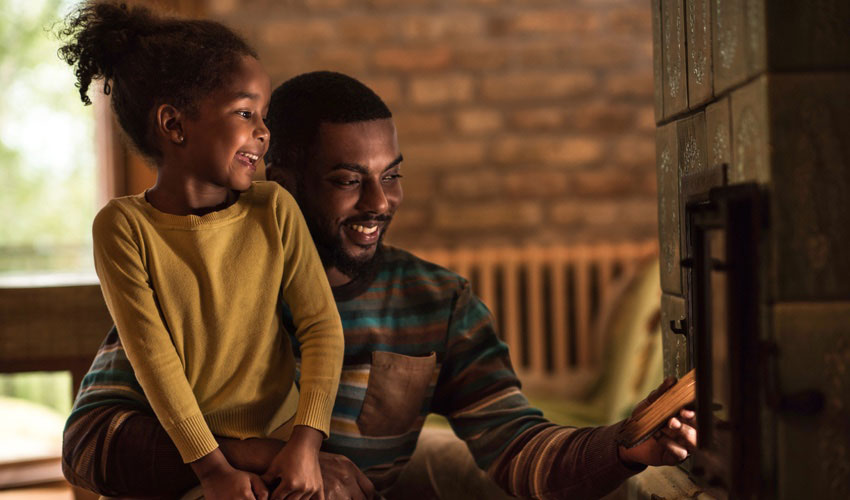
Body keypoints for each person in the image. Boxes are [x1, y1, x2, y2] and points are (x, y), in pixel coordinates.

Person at [63, 71, 696, 499]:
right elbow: (89, 443)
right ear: (277, 178)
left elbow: (517, 449)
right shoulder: (195, 279)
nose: (379, 202)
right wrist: (254, 456)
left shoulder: (438, 303)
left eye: (390, 175)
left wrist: (623, 448)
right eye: (347, 179)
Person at [58, 5, 344, 500]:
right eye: (244, 112)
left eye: (264, 116)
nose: (263, 130)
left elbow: (321, 326)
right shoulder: (123, 228)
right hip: (193, 457)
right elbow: (154, 361)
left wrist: (305, 442)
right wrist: (212, 470)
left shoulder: (274, 208)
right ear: (174, 124)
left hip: (284, 447)